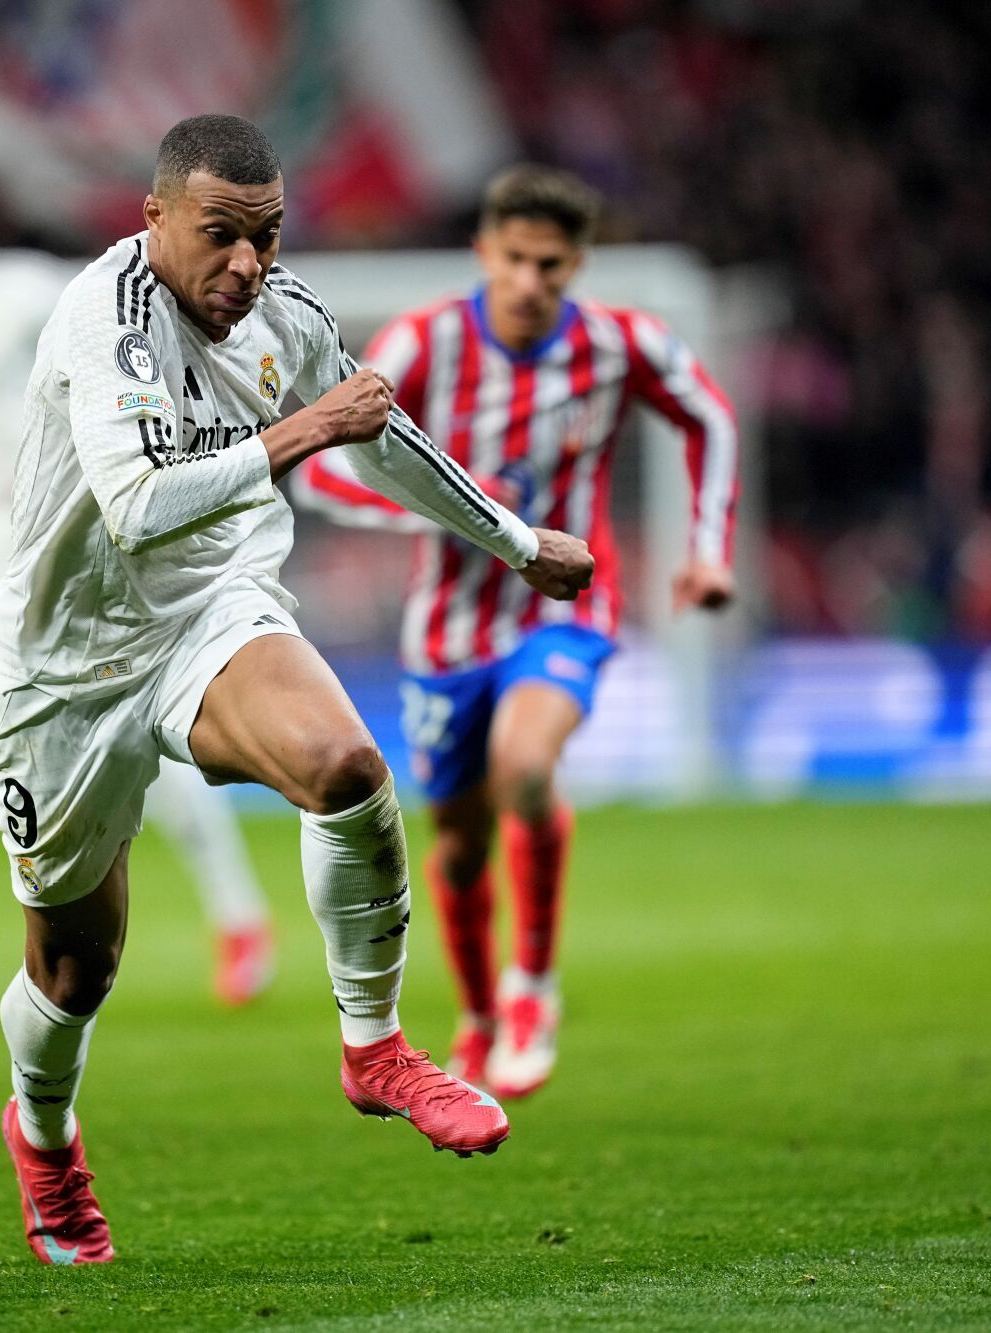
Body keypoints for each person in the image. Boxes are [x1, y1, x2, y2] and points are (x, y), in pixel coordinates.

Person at [0, 115, 594, 1265]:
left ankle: (373, 1048)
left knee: (347, 768)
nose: (246, 266)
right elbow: (136, 506)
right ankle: (46, 1133)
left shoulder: (287, 315)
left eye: (265, 237)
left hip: (211, 611)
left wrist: (514, 542)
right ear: (153, 217)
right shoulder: (101, 319)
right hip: (63, 661)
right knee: (74, 969)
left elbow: (385, 438)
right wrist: (307, 427)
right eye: (219, 236)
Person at [296, 164, 739, 1101]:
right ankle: (481, 1013)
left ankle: (532, 985)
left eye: (553, 264)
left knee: (525, 768)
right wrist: (426, 508)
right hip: (448, 630)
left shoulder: (623, 343)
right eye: (517, 260)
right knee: (455, 841)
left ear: (576, 264)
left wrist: (706, 549)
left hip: (563, 608)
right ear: (484, 253)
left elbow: (709, 416)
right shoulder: (425, 341)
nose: (534, 281)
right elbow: (320, 466)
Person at [0, 166, 277, 1006]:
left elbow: (130, 345)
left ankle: (241, 916)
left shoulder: (32, 289)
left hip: (59, 535)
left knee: (129, 729)